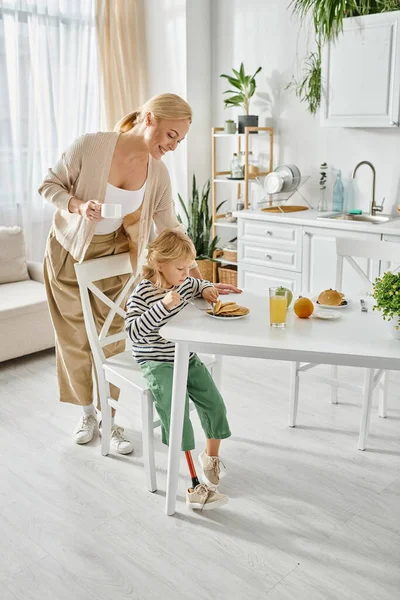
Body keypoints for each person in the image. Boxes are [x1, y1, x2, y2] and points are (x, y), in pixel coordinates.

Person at [39, 93, 240, 454]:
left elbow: (170, 228)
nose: (174, 145)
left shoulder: (157, 171)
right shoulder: (91, 146)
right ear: (149, 119)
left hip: (115, 257)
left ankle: (111, 418)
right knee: (74, 338)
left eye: (180, 140)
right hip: (68, 250)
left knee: (114, 338)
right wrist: (79, 205)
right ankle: (87, 413)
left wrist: (201, 281)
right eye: (171, 135)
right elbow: (49, 185)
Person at [125, 230, 231, 511]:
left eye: (189, 267)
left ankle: (210, 458)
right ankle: (194, 484)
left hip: (186, 354)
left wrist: (206, 286)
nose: (187, 273)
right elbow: (133, 332)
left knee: (215, 404)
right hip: (157, 361)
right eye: (180, 267)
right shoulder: (142, 293)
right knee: (177, 411)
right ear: (160, 264)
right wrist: (162, 306)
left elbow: (197, 283)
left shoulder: (183, 282)